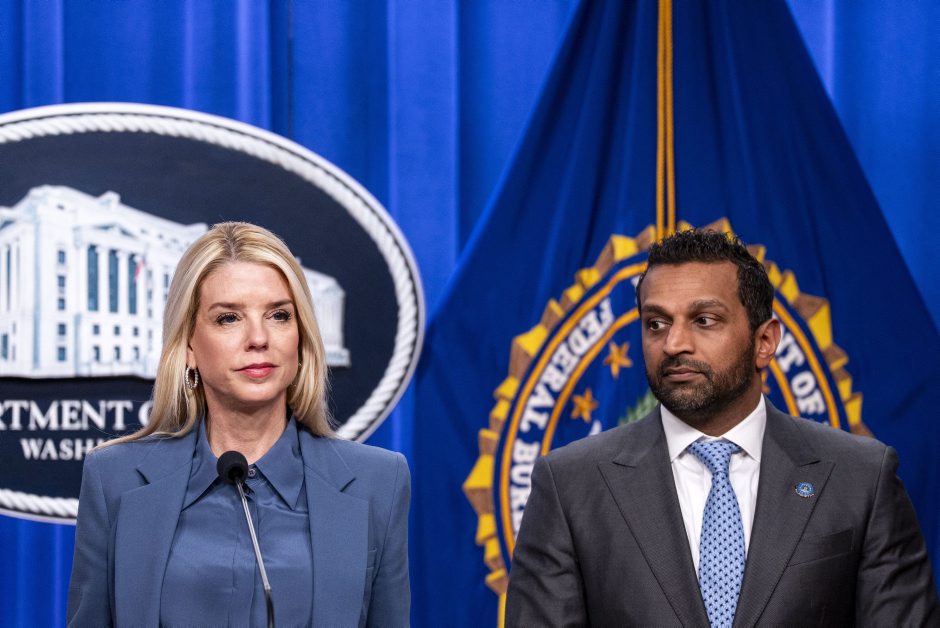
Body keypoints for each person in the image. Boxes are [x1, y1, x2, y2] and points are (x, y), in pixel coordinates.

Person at [505, 229, 939, 626]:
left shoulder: (861, 478)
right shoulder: (569, 486)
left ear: (765, 342)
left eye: (704, 320)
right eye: (656, 323)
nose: (673, 343)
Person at [67, 222, 410, 627]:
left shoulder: (378, 482)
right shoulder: (115, 480)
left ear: (300, 338)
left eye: (279, 315)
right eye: (229, 318)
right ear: (189, 345)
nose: (258, 338)